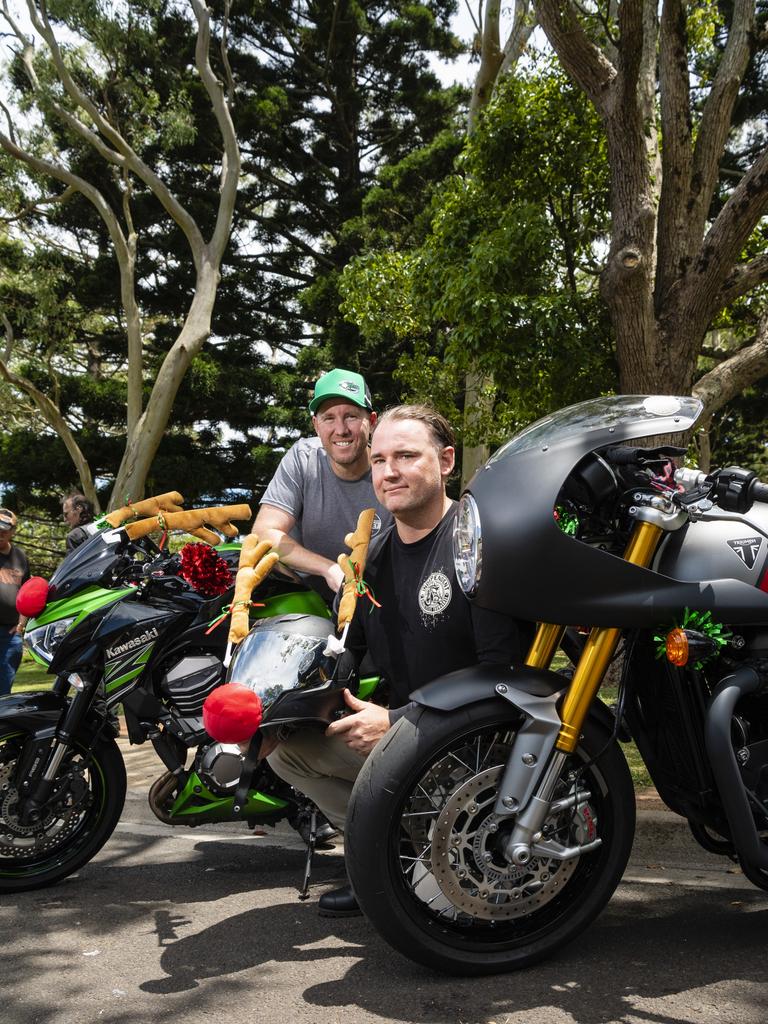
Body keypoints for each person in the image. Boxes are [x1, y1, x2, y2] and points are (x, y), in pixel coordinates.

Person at [268, 405, 531, 916]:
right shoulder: (374, 558)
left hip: (478, 748)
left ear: (446, 461)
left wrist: (392, 721)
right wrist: (281, 712)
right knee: (288, 752)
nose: (388, 472)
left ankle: (450, 856)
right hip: (409, 739)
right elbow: (349, 655)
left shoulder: (478, 546)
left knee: (451, 919)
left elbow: (505, 678)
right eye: (380, 459)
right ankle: (393, 856)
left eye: (407, 456)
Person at [253, 368, 392, 604]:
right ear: (316, 425)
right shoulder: (303, 459)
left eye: (351, 416)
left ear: (371, 421)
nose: (341, 429)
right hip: (301, 599)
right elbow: (264, 533)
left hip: (371, 602)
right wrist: (328, 569)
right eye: (329, 418)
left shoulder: (391, 471)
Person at [0, 508, 30, 697]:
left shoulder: (20, 557)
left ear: (13, 531)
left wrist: (21, 625)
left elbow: (27, 594)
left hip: (10, 635)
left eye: (5, 528)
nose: (0, 532)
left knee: (4, 688)